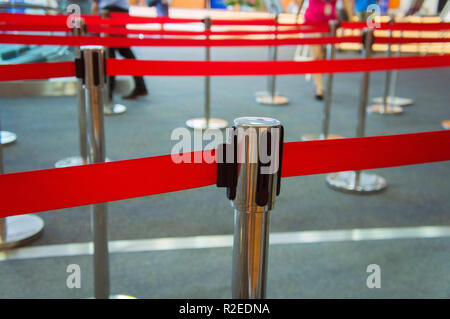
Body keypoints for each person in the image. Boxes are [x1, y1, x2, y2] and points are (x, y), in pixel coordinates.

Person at [297, 0, 354, 100]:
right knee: (317, 55)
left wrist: (350, 19)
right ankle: (319, 87)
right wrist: (297, 13)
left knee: (323, 55)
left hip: (330, 24)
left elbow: (346, 2)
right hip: (312, 22)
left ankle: (318, 81)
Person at [92, 0, 148, 100]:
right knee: (122, 50)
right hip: (115, 10)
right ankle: (140, 86)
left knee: (110, 52)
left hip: (112, 11)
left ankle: (109, 93)